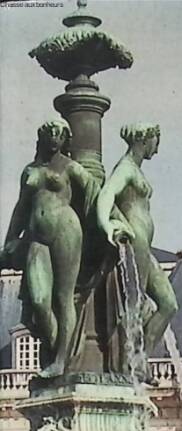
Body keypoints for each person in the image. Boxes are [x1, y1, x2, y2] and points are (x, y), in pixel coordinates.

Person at [1, 120, 98, 377]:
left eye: (58, 133)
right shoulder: (30, 170)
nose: (53, 137)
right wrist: (10, 239)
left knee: (64, 297)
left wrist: (106, 227)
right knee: (40, 300)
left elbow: (94, 196)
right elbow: (20, 208)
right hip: (35, 238)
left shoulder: (72, 168)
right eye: (49, 132)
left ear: (65, 139)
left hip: (66, 231)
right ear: (41, 136)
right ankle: (59, 347)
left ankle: (60, 360)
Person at [96, 123, 177, 355]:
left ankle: (142, 356)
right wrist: (106, 224)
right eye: (156, 142)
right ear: (144, 139)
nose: (157, 149)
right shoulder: (126, 168)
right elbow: (107, 193)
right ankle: (125, 360)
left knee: (168, 304)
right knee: (134, 303)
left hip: (144, 246)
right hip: (135, 241)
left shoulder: (135, 170)